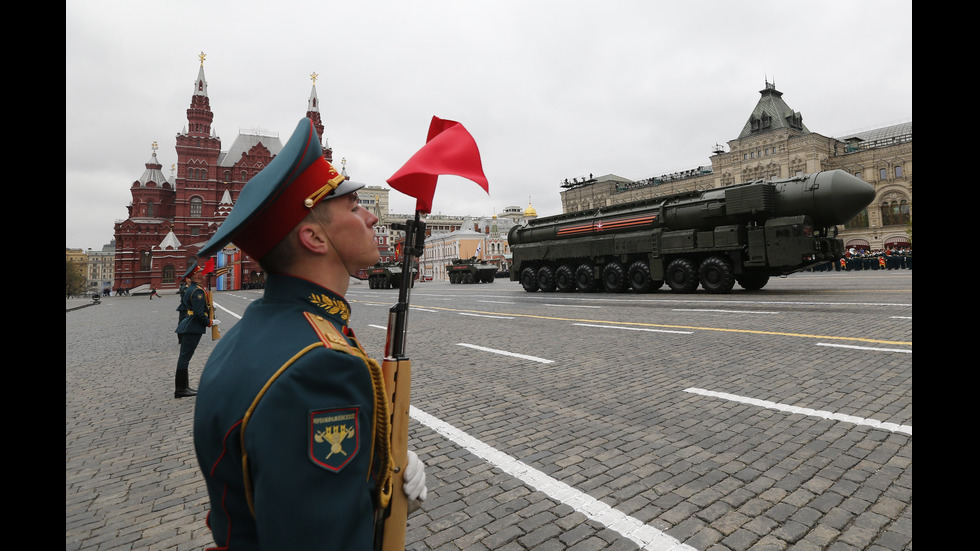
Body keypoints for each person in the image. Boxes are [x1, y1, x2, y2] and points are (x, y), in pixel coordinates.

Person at [192, 118, 427, 549]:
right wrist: (381, 502)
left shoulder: (247, 339)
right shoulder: (319, 365)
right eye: (355, 208)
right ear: (314, 237)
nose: (372, 216)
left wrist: (374, 469)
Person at [174, 261, 210, 398]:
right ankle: (181, 388)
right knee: (185, 357)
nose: (202, 274)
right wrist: (209, 322)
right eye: (199, 272)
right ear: (195, 276)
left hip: (188, 324)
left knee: (184, 357)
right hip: (192, 326)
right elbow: (198, 313)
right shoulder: (197, 291)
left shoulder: (191, 288)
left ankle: (182, 387)